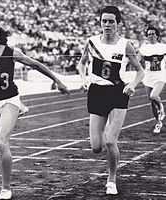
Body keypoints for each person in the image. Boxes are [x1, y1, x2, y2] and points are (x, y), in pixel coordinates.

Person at [0, 19, 69, 200]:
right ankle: (19, 109)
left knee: (1, 144)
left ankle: (6, 188)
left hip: (9, 99)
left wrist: (57, 80)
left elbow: (36, 64)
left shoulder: (11, 52)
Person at [77, 6, 144, 195]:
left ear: (118, 23)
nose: (107, 24)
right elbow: (82, 64)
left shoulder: (125, 45)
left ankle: (111, 179)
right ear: (100, 22)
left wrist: (133, 84)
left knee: (110, 142)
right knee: (96, 147)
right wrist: (83, 79)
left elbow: (140, 71)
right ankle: (107, 135)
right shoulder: (91, 42)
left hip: (117, 93)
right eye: (104, 21)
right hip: (96, 92)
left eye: (111, 21)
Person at [139, 26, 166, 134]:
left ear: (157, 35)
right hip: (148, 76)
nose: (150, 36)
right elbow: (137, 61)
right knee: (152, 102)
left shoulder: (163, 47)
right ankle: (158, 123)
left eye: (153, 34)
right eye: (149, 34)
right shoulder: (143, 49)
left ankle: (162, 109)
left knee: (154, 96)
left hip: (160, 76)